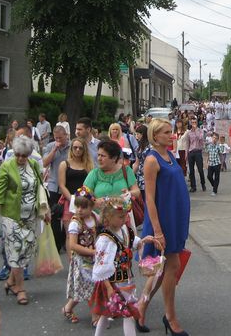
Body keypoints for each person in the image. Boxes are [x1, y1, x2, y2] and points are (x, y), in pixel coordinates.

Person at [139, 118, 191, 335]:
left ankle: (141, 306)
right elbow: (149, 198)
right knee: (171, 267)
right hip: (163, 220)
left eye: (171, 132)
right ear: (155, 135)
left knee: (163, 270)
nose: (171, 135)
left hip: (176, 218)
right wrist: (158, 231)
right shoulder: (151, 160)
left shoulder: (169, 155)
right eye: (167, 133)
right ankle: (170, 317)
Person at [0, 136, 50, 305]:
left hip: (31, 215)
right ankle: (20, 288)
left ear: (30, 154)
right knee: (16, 250)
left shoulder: (35, 165)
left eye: (24, 155)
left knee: (27, 249)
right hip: (11, 216)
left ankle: (10, 281)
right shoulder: (7, 167)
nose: (21, 158)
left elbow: (40, 189)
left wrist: (45, 211)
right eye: (18, 155)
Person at [90, 197, 154, 335]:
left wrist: (143, 241)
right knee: (124, 314)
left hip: (126, 280)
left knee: (109, 314)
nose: (124, 219)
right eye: (120, 216)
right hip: (113, 283)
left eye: (125, 215)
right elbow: (100, 267)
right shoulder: (105, 240)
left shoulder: (124, 230)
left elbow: (132, 242)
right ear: (108, 217)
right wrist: (108, 288)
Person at [63, 186, 99, 325]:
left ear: (91, 207)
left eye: (84, 207)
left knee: (89, 287)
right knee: (89, 287)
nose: (79, 210)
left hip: (93, 259)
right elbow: (73, 245)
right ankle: (95, 316)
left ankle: (67, 308)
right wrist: (91, 251)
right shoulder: (75, 223)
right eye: (77, 206)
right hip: (81, 260)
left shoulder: (95, 217)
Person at [58, 136, 94, 252]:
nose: (77, 150)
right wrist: (72, 199)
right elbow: (62, 185)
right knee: (70, 233)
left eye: (80, 148)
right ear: (71, 149)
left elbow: (91, 184)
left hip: (85, 202)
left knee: (85, 232)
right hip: (69, 202)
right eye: (75, 148)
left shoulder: (88, 165)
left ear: (84, 150)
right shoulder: (65, 164)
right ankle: (71, 263)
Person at [43, 125, 70, 252]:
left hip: (68, 186)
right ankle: (57, 243)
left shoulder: (72, 147)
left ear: (66, 135)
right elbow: (44, 163)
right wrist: (54, 150)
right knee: (54, 214)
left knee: (68, 215)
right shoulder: (50, 146)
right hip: (54, 184)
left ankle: (66, 239)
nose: (59, 140)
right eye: (56, 138)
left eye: (61, 137)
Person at [186, 118, 206, 192]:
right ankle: (193, 186)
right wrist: (186, 153)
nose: (194, 124)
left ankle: (203, 183)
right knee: (191, 170)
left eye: (195, 122)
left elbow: (200, 138)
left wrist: (196, 131)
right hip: (191, 151)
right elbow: (188, 143)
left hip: (198, 151)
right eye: (192, 122)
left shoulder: (200, 131)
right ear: (190, 123)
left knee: (200, 169)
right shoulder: (188, 132)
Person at [133, 124, 152, 201]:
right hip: (140, 175)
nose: (136, 136)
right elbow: (136, 163)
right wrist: (131, 175)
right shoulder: (139, 147)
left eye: (138, 134)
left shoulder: (150, 147)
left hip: (149, 174)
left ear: (143, 134)